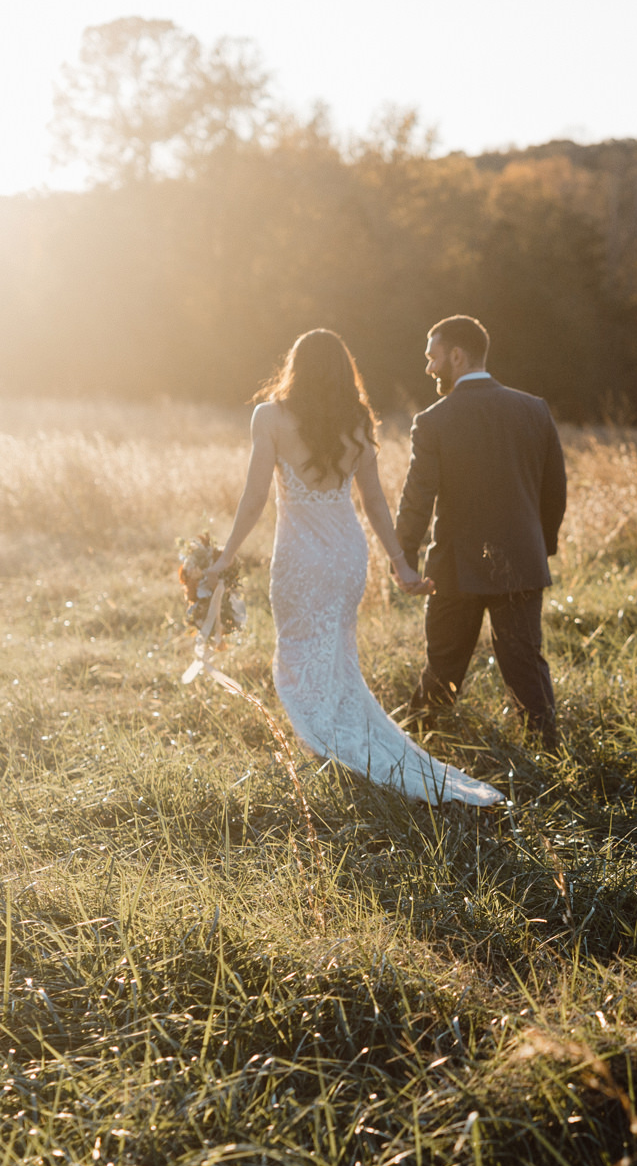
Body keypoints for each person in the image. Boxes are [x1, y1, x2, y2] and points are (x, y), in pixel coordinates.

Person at [202, 328, 503, 806]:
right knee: (337, 653)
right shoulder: (359, 422)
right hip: (346, 554)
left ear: (294, 368)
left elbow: (256, 496)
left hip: (301, 558)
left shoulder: (271, 417)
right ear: (345, 371)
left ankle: (322, 744)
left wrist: (225, 558)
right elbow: (375, 503)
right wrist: (400, 564)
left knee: (301, 651)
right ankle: (328, 743)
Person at [395, 315, 568, 750]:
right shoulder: (534, 409)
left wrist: (405, 559)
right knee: (524, 665)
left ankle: (416, 752)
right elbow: (555, 492)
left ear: (457, 355)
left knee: (444, 667)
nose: (429, 367)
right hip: (521, 563)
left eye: (433, 356)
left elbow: (419, 497)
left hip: (454, 568)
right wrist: (536, 549)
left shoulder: (433, 420)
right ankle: (548, 753)